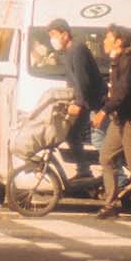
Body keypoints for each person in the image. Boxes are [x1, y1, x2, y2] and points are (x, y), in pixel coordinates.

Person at [91, 25, 131, 218]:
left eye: (107, 37)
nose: (104, 41)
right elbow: (115, 92)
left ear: (118, 41)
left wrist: (104, 110)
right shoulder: (118, 61)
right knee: (106, 157)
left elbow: (123, 93)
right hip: (120, 119)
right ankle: (111, 204)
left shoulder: (130, 62)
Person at [46, 18, 106, 175]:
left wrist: (79, 104)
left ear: (65, 34)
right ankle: (84, 171)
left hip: (94, 103)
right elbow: (73, 81)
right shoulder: (68, 52)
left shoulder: (77, 50)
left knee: (99, 140)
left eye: (54, 35)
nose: (52, 40)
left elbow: (82, 79)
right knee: (72, 134)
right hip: (85, 101)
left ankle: (115, 173)